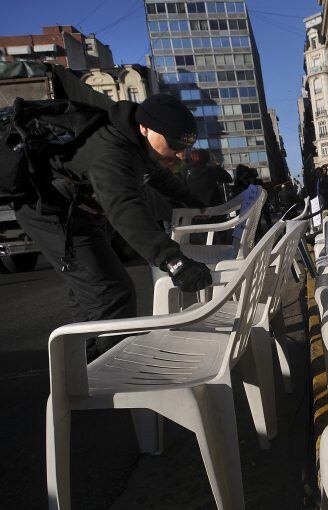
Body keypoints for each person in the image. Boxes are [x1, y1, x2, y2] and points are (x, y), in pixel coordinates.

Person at [14, 94, 212, 358]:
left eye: (184, 146)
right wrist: (173, 260)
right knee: (110, 293)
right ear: (145, 127)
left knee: (92, 291)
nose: (179, 153)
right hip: (50, 212)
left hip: (76, 209)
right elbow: (125, 207)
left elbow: (157, 176)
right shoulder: (112, 152)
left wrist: (190, 199)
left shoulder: (137, 144)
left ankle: (80, 374)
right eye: (174, 144)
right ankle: (105, 381)